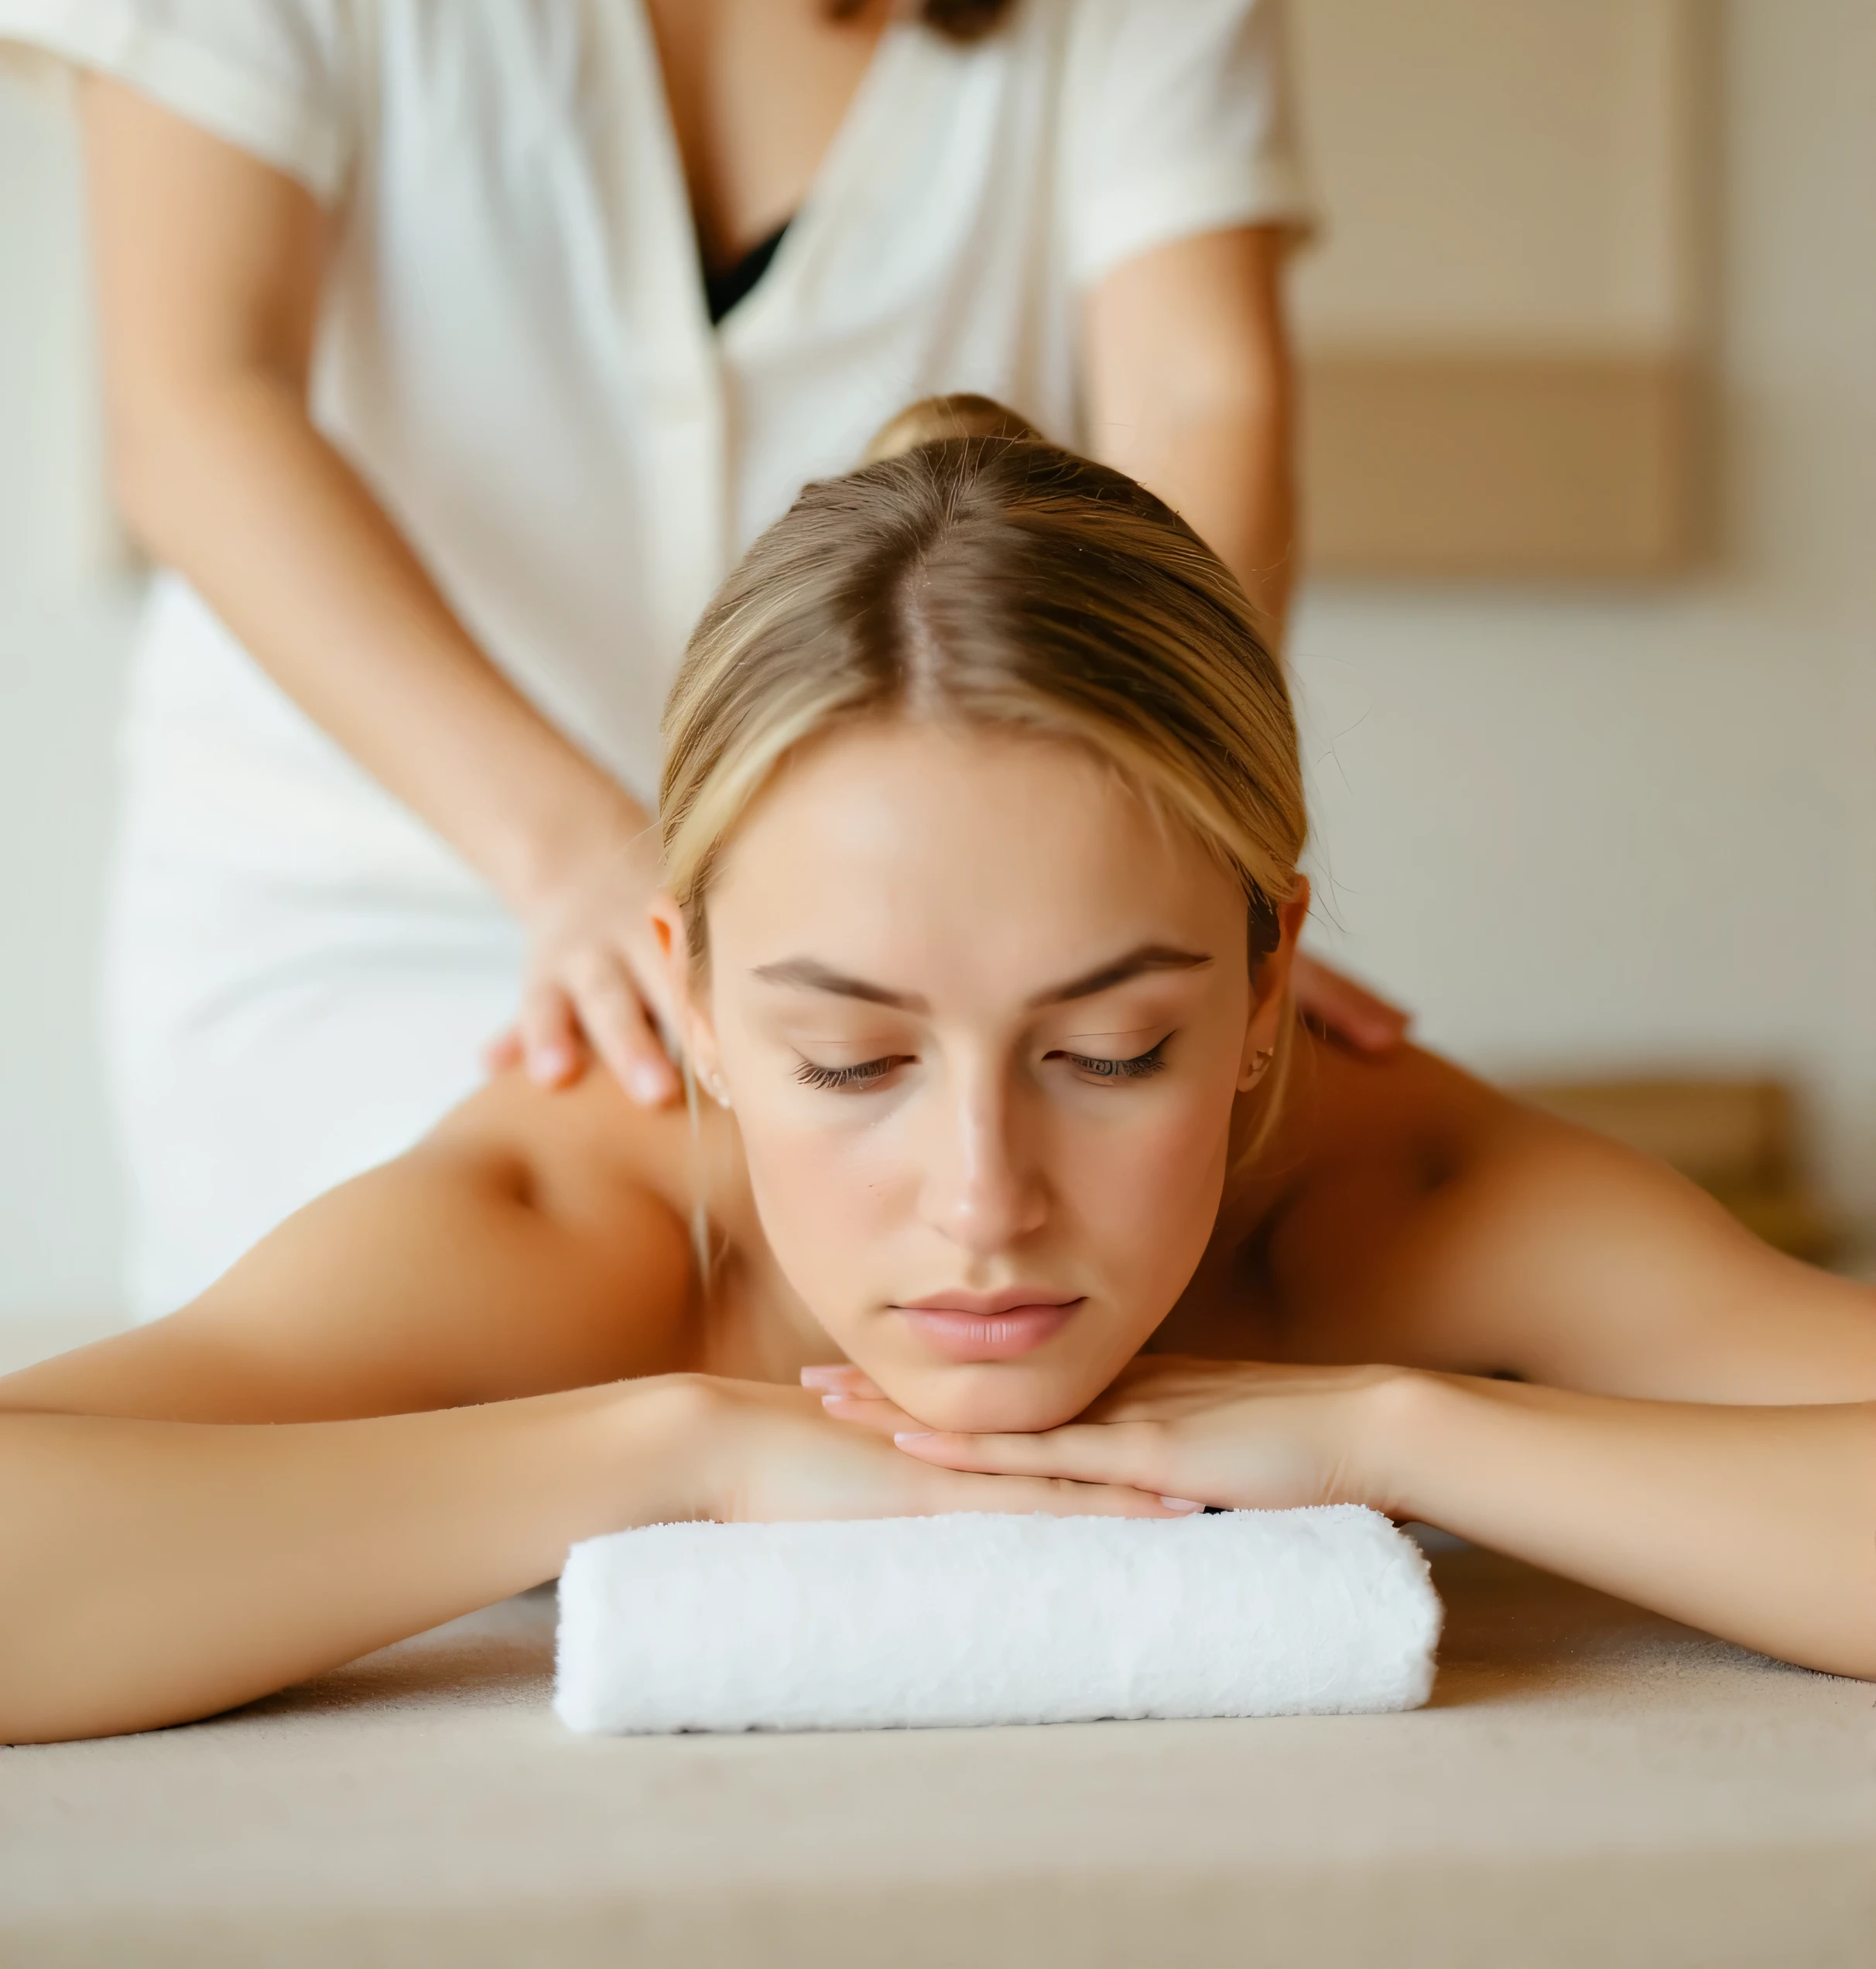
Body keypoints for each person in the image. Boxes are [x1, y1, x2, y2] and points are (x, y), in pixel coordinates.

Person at [2, 403, 1871, 1748]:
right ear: (699, 1001)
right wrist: (676, 1450)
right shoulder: (571, 1214)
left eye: (1113, 1047)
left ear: (1270, 983)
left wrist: (1396, 1428)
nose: (984, 1194)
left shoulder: (1394, 1188)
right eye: (848, 1055)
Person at [0, 0, 1400, 1317]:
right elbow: (196, 399)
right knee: (568, 1358)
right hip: (387, 887)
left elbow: (1203, 394)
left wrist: (1188, 861)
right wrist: (584, 861)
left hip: (949, 938)